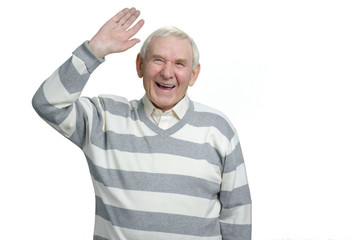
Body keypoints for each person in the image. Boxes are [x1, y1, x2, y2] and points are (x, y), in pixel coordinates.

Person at [32, 7, 252, 240]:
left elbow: (237, 214)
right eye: (158, 60)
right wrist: (93, 51)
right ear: (139, 65)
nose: (167, 72)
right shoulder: (104, 119)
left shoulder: (218, 129)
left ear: (194, 75)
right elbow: (47, 104)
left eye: (179, 63)